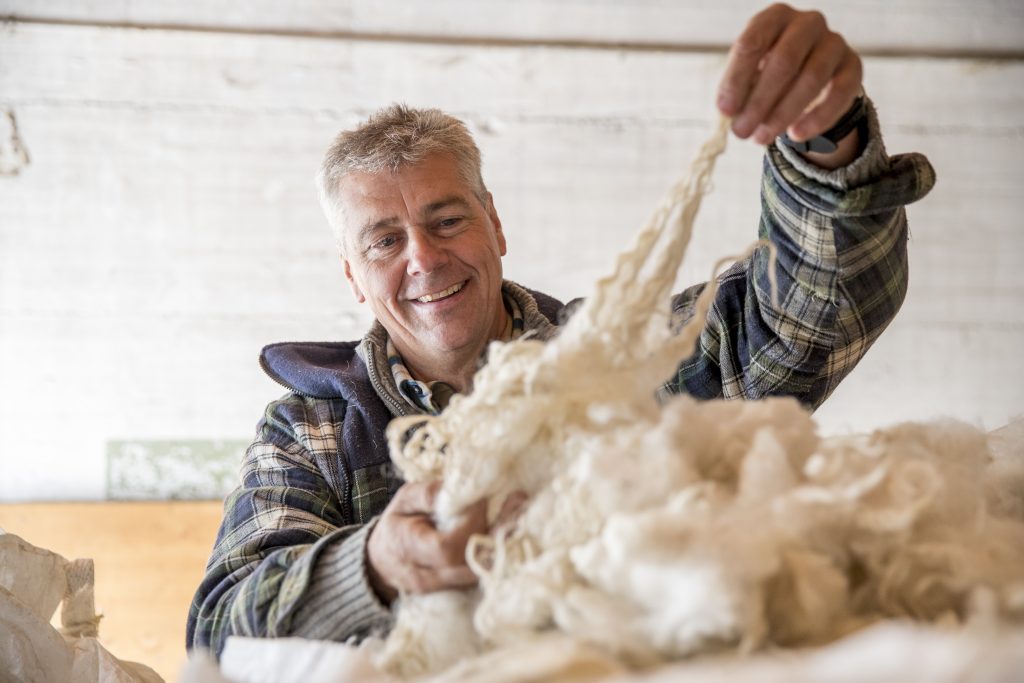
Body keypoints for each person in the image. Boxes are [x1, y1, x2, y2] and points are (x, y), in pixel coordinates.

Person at [187, 3, 934, 656]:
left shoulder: (616, 360)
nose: (423, 258)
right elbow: (218, 630)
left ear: (496, 226)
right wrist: (376, 566)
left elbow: (804, 321)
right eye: (383, 240)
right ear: (352, 274)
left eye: (447, 220)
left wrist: (826, 137)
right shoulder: (310, 430)